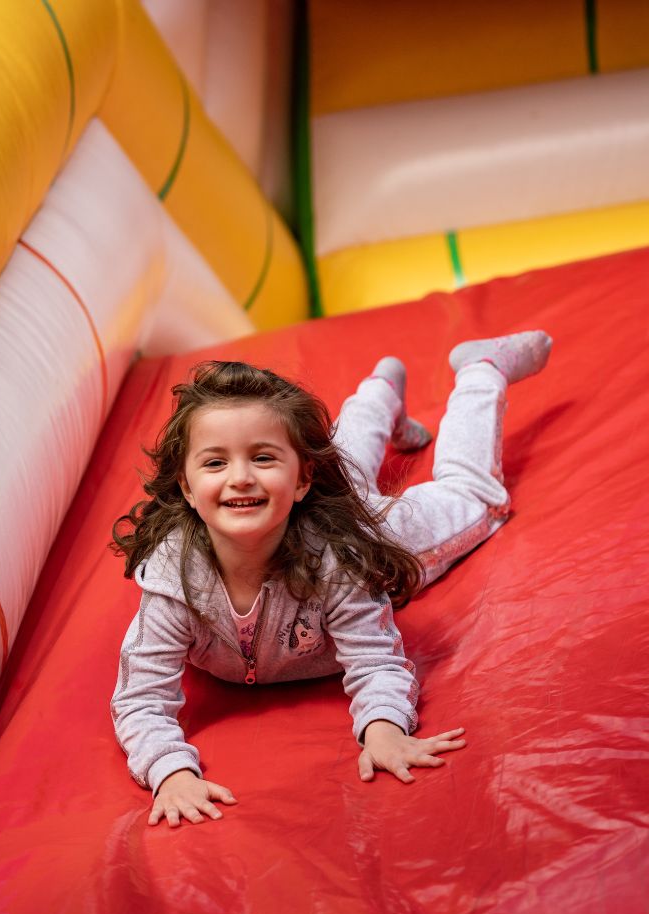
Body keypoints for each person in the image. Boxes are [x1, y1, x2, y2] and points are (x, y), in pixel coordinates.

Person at [110, 331, 552, 827]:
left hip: (369, 534)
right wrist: (170, 773)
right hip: (307, 507)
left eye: (261, 458)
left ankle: (481, 369)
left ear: (303, 481)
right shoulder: (176, 582)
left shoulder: (338, 560)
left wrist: (383, 728)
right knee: (332, 470)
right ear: (188, 487)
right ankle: (380, 392)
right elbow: (141, 699)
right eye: (216, 462)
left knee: (475, 499)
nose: (240, 478)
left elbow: (375, 659)